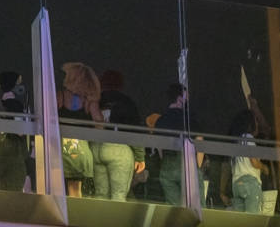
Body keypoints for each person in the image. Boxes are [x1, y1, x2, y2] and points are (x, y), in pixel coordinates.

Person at [93, 69, 145, 201]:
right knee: (119, 195)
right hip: (119, 149)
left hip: (96, 148)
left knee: (100, 194)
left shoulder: (96, 100)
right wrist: (140, 156)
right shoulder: (127, 102)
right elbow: (134, 130)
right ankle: (115, 221)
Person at [59, 62, 102, 197]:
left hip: (60, 147)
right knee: (75, 191)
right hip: (80, 149)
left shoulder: (60, 96)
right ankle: (74, 216)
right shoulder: (89, 102)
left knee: (56, 188)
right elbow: (100, 125)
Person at [0, 71, 29, 192]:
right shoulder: (16, 106)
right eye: (18, 82)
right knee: (13, 193)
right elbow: (20, 131)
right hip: (14, 154)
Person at [224, 109, 265, 213]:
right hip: (250, 183)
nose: (257, 123)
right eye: (255, 120)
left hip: (237, 185)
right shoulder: (248, 138)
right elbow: (254, 162)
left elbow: (227, 167)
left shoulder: (236, 142)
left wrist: (221, 191)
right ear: (250, 123)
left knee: (242, 221)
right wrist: (264, 167)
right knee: (253, 220)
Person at [157, 83, 190, 205]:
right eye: (187, 97)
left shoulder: (161, 120)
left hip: (167, 163)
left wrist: (164, 161)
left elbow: (159, 146)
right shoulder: (188, 119)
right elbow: (199, 139)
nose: (188, 101)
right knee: (194, 207)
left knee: (174, 207)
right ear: (180, 99)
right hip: (186, 161)